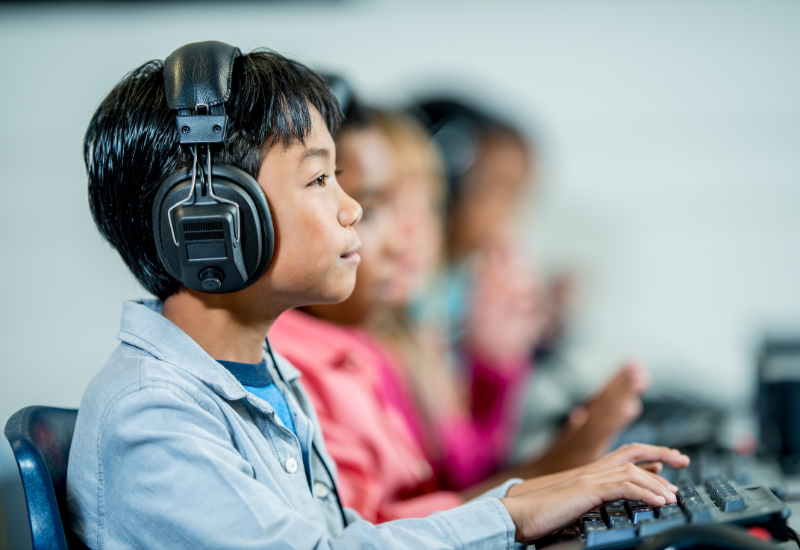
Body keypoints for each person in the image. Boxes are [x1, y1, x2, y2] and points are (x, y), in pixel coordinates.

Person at [67, 42, 686, 549]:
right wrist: (513, 515)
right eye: (319, 178)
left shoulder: (267, 380)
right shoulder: (151, 415)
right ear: (209, 223)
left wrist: (528, 499)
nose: (352, 208)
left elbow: (351, 535)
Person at [271, 105, 687, 523]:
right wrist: (549, 468)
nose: (409, 235)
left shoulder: (406, 341)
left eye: (432, 206)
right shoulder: (330, 357)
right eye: (378, 207)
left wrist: (499, 366)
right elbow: (403, 517)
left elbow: (459, 477)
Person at [416, 98, 649, 474]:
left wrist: (545, 331)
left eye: (522, 195)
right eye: (501, 190)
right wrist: (492, 356)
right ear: (445, 188)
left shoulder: (467, 279)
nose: (513, 213)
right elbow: (457, 461)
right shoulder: (415, 303)